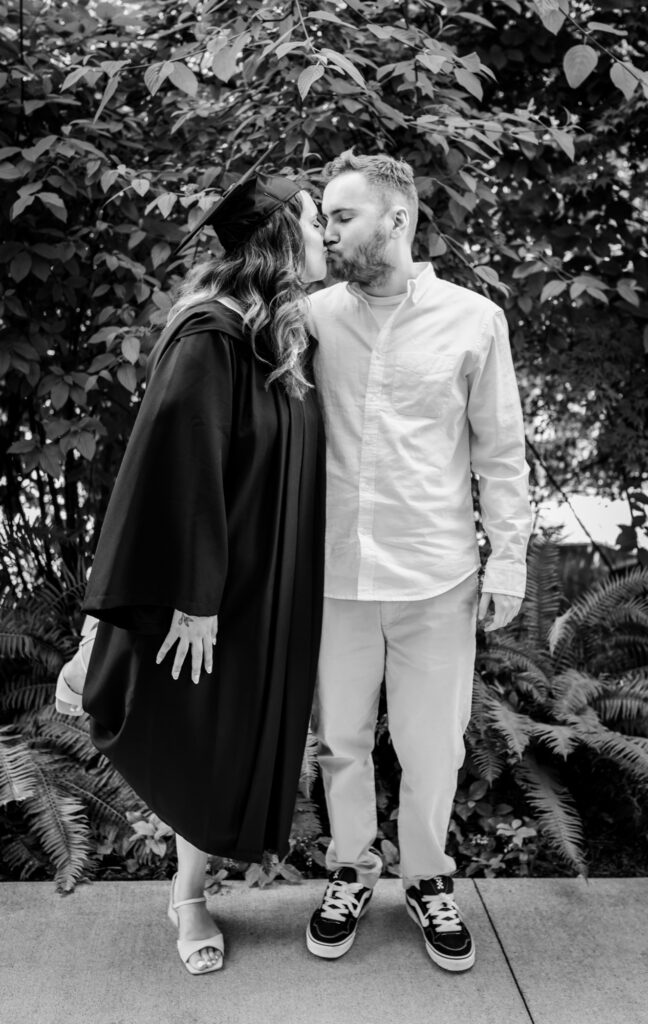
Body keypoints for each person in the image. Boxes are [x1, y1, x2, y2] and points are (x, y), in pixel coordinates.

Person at [78, 172, 327, 975]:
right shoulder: (210, 336)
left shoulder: (280, 335)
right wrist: (194, 598)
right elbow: (179, 471)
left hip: (266, 583)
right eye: (317, 223)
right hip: (212, 595)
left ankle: (198, 884)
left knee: (226, 737)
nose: (324, 237)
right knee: (194, 734)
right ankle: (188, 897)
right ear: (281, 240)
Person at [305, 152, 532, 972]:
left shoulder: (474, 320)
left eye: (341, 216)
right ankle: (352, 868)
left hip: (437, 575)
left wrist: (507, 565)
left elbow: (501, 454)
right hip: (333, 575)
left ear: (397, 220)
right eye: (325, 217)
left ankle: (430, 878)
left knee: (434, 745)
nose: (327, 232)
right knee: (341, 740)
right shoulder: (313, 319)